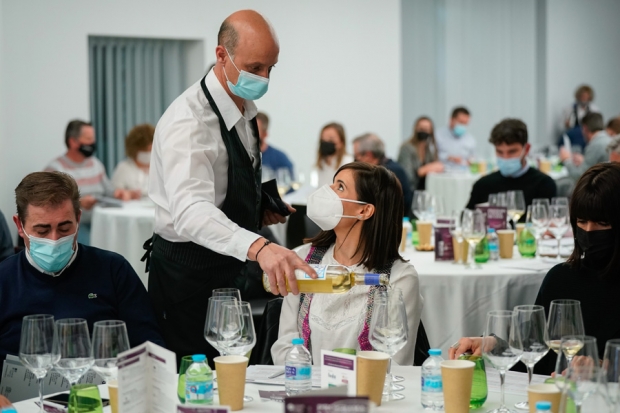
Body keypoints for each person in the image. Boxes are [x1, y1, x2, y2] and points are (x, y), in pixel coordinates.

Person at [146, 10, 317, 365]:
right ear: (221, 55)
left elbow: (227, 181)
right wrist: (261, 247)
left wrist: (257, 206)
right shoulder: (188, 122)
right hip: (186, 280)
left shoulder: (244, 108)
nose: (265, 78)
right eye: (255, 68)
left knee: (235, 376)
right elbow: (191, 211)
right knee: (196, 385)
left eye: (271, 68)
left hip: (229, 270)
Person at [450, 163, 620, 375]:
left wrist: (602, 368)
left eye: (602, 223)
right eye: (582, 221)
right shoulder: (562, 279)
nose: (588, 231)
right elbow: (534, 353)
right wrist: (491, 346)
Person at [0, 172, 164, 363]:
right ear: (20, 225)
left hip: (103, 390)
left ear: (78, 219)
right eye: (42, 230)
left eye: (64, 228)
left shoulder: (113, 270)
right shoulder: (4, 280)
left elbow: (150, 348)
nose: (54, 240)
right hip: (19, 393)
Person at [271, 162, 423, 365]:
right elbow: (285, 345)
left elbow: (396, 361)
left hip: (369, 394)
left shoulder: (398, 278)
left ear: (365, 211)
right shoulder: (302, 260)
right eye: (332, 184)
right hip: (306, 389)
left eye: (340, 187)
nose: (327, 191)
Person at [45, 120, 133, 245]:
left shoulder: (95, 164)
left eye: (93, 138)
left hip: (101, 222)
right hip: (75, 226)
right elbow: (49, 204)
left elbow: (108, 190)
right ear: (73, 142)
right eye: (88, 138)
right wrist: (78, 203)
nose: (92, 143)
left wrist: (118, 193)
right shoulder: (56, 169)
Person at [465, 118, 556, 211]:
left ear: (527, 149)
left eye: (512, 152)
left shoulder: (543, 184)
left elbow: (547, 221)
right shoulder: (483, 185)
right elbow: (467, 218)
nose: (505, 157)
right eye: (500, 152)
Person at [352, 133, 413, 217]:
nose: (355, 160)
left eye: (356, 156)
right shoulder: (384, 168)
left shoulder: (389, 173)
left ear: (369, 155)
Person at [560, 112, 611, 181]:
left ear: (585, 128)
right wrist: (584, 160)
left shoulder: (595, 145)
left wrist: (566, 160)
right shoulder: (608, 139)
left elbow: (580, 177)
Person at [397, 116, 444, 191]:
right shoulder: (406, 148)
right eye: (421, 129)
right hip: (411, 190)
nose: (424, 131)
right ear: (416, 129)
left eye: (426, 129)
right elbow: (407, 176)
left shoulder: (429, 148)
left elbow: (437, 165)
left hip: (427, 188)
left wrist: (427, 169)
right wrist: (422, 171)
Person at [111, 124, 155, 197]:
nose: (149, 152)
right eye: (146, 149)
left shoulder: (159, 168)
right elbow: (115, 193)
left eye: (151, 149)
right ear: (135, 149)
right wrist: (127, 194)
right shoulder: (123, 168)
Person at [557, 85, 601, 153]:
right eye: (582, 96)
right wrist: (566, 125)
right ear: (578, 96)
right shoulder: (569, 109)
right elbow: (560, 126)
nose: (584, 98)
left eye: (586, 96)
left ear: (589, 97)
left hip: (588, 136)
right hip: (573, 136)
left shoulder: (594, 110)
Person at [256, 112, 294, 180]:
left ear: (265, 134)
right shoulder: (240, 157)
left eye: (255, 130)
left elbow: (290, 187)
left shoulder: (280, 158)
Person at [314, 122, 353, 187]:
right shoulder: (321, 162)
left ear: (341, 142)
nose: (326, 143)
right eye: (323, 139)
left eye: (331, 140)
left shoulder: (348, 163)